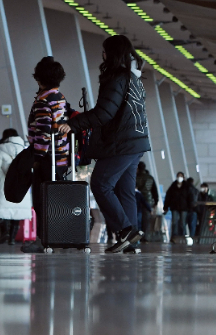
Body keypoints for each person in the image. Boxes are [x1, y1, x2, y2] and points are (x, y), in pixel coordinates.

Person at [59, 35, 151, 254]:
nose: (102, 54)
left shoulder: (117, 78)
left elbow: (104, 113)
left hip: (122, 142)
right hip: (136, 142)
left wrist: (74, 124)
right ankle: (131, 241)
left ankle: (126, 230)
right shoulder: (134, 78)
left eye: (104, 51)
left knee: (101, 183)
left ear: (112, 53)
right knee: (125, 190)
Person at [22, 57, 71, 253]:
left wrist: (37, 158)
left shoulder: (43, 101)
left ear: (39, 78)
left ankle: (43, 240)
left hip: (47, 159)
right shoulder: (60, 97)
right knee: (55, 201)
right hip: (61, 157)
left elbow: (43, 133)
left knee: (41, 201)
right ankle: (57, 238)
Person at [0, 129, 32, 246]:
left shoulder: (1, 150)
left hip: (5, 185)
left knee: (4, 211)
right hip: (21, 186)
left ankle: (5, 233)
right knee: (17, 213)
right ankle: (12, 238)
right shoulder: (24, 150)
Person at [164, 172, 194, 239]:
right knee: (174, 222)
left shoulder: (187, 186)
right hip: (174, 207)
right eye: (178, 176)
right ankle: (174, 236)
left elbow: (190, 197)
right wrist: (166, 206)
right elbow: (168, 196)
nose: (179, 177)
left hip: (184, 207)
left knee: (182, 223)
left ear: (183, 177)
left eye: (181, 176)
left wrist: (190, 207)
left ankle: (183, 236)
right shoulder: (173, 186)